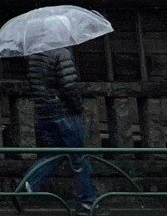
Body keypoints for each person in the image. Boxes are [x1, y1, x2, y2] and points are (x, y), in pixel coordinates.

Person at [21, 46, 97, 213]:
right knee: (79, 159)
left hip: (44, 113)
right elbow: (68, 86)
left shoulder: (34, 56)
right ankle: (88, 201)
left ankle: (28, 184)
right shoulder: (61, 53)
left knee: (53, 154)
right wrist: (78, 107)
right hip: (65, 113)